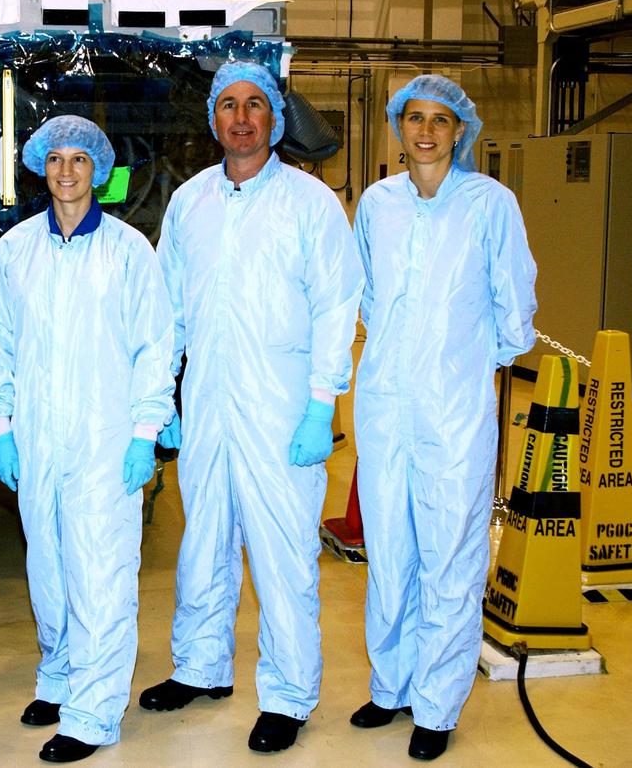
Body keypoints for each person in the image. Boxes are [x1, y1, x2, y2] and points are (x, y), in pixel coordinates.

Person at [140, 61, 364, 755]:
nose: (241, 118)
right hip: (208, 404)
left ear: (275, 118)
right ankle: (200, 668)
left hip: (281, 409)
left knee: (283, 556)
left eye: (255, 105)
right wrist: (164, 393)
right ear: (214, 119)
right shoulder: (191, 202)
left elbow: (336, 309)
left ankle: (289, 695)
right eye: (229, 105)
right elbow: (168, 307)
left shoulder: (310, 203)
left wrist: (320, 406)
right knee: (203, 542)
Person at [0, 116, 175, 763]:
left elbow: (154, 347)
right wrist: (2, 429)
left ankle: (93, 713)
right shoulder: (15, 250)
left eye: (79, 160)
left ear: (99, 169)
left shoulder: (128, 251)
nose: (67, 171)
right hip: (37, 439)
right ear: (42, 167)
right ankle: (59, 679)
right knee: (49, 568)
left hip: (105, 441)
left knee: (101, 574)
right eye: (56, 159)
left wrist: (144, 433)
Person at [350, 74, 537, 761]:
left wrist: (469, 360)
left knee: (450, 554)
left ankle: (436, 705)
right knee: (390, 550)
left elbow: (514, 303)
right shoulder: (378, 204)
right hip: (384, 403)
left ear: (461, 130)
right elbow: (367, 293)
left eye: (439, 120)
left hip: (455, 408)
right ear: (398, 127)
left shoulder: (490, 204)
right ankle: (391, 686)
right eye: (414, 118)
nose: (425, 131)